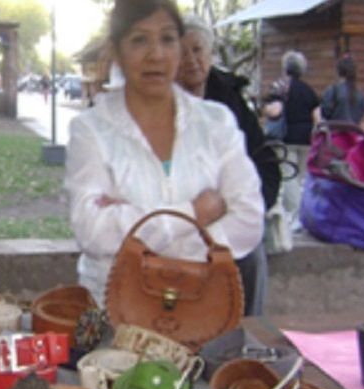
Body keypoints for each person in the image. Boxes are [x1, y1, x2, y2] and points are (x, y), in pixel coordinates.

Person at [64, 0, 264, 308]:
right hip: (115, 311)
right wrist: (194, 213)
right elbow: (93, 231)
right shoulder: (90, 130)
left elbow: (249, 219)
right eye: (139, 39)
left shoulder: (216, 123)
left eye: (167, 38)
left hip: (201, 306)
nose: (156, 54)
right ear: (117, 51)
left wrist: (150, 243)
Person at [176, 13, 273, 316]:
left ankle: (249, 331)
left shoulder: (231, 101)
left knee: (252, 256)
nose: (191, 60)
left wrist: (243, 208)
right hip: (180, 215)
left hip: (227, 211)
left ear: (211, 54)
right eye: (182, 52)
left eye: (198, 50)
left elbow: (265, 165)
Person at [274, 51, 320, 145]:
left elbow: (274, 111)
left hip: (286, 136)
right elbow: (317, 114)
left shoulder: (280, 87)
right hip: (306, 137)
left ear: (285, 68)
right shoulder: (308, 90)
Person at [320, 55, 364, 124]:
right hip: (354, 132)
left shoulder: (333, 90)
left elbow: (325, 112)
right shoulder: (360, 93)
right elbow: (362, 112)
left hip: (334, 132)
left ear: (338, 71)